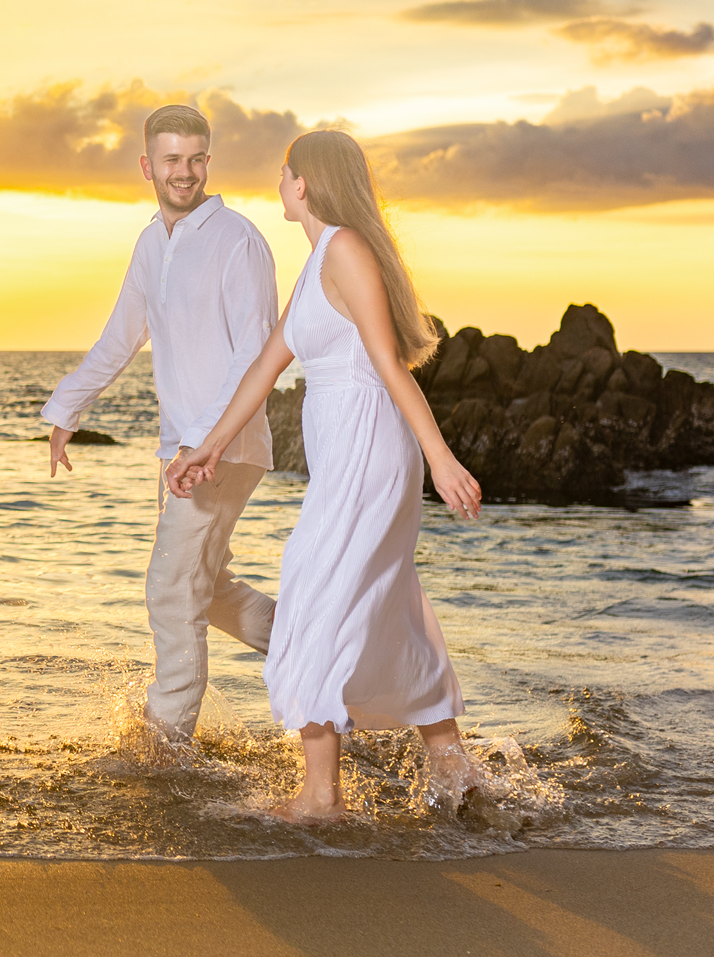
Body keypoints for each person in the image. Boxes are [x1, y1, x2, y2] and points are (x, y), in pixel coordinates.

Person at [167, 129, 482, 822]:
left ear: (303, 182)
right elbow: (265, 368)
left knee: (315, 588)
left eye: (283, 174)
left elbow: (389, 365)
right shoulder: (316, 261)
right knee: (384, 597)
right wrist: (207, 448)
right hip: (346, 453)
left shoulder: (344, 248)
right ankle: (452, 762)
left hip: (370, 447)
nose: (278, 184)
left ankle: (320, 796)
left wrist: (440, 457)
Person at [41, 103, 279, 745]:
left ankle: (163, 749)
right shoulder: (153, 242)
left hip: (226, 447)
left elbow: (253, 358)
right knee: (209, 587)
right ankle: (318, 656)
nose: (186, 172)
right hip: (186, 450)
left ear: (209, 161)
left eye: (197, 158)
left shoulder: (239, 241)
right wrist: (68, 409)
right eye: (172, 159)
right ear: (148, 164)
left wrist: (205, 444)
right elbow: (121, 335)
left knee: (171, 588)